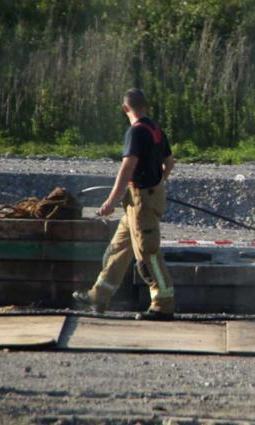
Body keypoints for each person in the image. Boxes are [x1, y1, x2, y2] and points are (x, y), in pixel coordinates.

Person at [73, 88, 176, 320]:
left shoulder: (136, 132)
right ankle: (99, 295)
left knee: (147, 253)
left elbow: (127, 167)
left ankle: (163, 303)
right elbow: (169, 163)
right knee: (119, 248)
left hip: (141, 201)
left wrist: (111, 201)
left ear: (125, 108)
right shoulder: (155, 128)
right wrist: (158, 183)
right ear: (145, 105)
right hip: (144, 199)